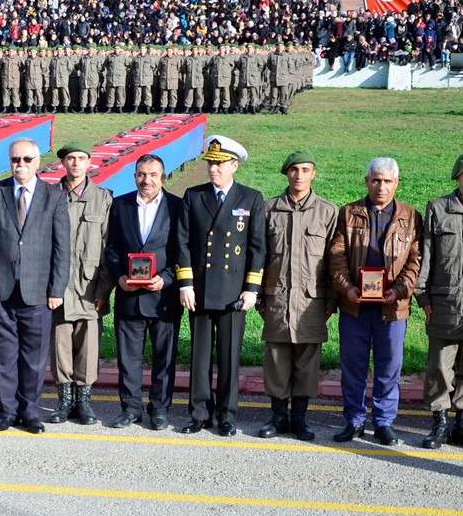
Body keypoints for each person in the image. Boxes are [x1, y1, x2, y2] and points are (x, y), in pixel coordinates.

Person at [0, 137, 71, 434]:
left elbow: (62, 247)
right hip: (1, 290)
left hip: (38, 291)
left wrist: (57, 289)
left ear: (38, 161)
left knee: (34, 356)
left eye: (27, 159)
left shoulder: (52, 196)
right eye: (16, 159)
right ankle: (6, 412)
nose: (21, 165)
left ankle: (29, 412)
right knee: (2, 356)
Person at [329, 157, 422, 446]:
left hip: (393, 307)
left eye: (387, 181)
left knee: (389, 366)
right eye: (376, 180)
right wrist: (347, 290)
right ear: (366, 181)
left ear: (396, 183)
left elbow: (416, 262)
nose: (381, 186)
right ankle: (354, 420)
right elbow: (336, 257)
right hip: (355, 305)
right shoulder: (349, 213)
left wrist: (399, 291)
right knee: (353, 365)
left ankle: (383, 422)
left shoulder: (411, 216)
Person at [177, 135, 265, 437]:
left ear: (234, 165)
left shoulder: (250, 198)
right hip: (200, 290)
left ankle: (227, 414)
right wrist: (185, 284)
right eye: (210, 164)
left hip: (232, 291)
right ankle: (199, 412)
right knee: (200, 357)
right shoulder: (194, 195)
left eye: (219, 164)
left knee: (229, 358)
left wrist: (251, 289)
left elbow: (257, 247)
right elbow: (183, 243)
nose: (213, 169)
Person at [257, 151, 337, 441]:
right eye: (294, 170)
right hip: (276, 298)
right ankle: (278, 417)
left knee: (307, 363)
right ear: (286, 174)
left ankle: (300, 418)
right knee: (276, 360)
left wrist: (330, 302)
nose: (299, 175)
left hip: (311, 301)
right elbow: (259, 256)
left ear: (313, 173)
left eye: (305, 170)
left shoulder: (328, 211)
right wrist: (259, 297)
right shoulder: (268, 209)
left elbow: (333, 261)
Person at [105, 154, 182, 430]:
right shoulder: (120, 205)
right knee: (128, 357)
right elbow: (111, 248)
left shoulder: (177, 206)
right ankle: (130, 408)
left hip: (164, 297)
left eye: (152, 174)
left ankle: (160, 408)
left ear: (163, 176)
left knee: (165, 357)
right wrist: (119, 276)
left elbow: (182, 251)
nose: (146, 180)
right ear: (134, 175)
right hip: (129, 295)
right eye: (141, 174)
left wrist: (167, 278)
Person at [45, 142, 113, 426]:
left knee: (87, 346)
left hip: (89, 287)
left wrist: (103, 289)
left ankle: (83, 401)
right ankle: (63, 401)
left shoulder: (102, 198)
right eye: (70, 158)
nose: (75, 163)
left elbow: (110, 247)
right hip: (59, 287)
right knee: (60, 344)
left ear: (89, 163)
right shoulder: (49, 196)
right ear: (63, 162)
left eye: (81, 158)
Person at [414, 155, 463, 449]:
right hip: (445, 302)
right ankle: (440, 422)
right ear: (457, 177)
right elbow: (427, 256)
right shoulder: (439, 208)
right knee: (439, 369)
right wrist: (423, 296)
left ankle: (461, 424)